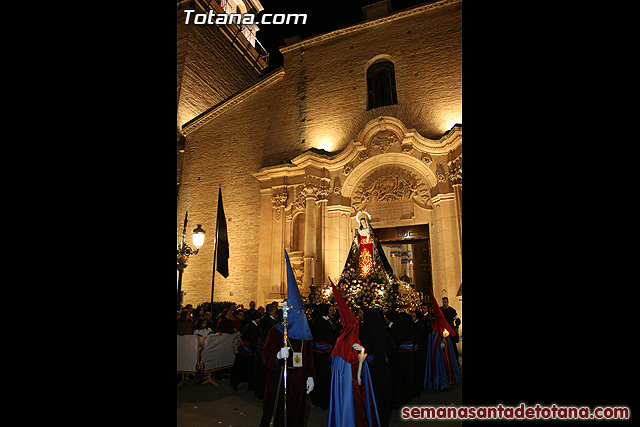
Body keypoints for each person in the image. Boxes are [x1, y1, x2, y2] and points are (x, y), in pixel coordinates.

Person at [260, 251, 315, 427]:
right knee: (277, 415)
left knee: (295, 416)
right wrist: (276, 355)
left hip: (298, 382)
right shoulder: (277, 332)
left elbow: (308, 359)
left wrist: (310, 376)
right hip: (279, 380)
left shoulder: (304, 336)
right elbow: (265, 354)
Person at [328, 282, 379, 427]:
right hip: (351, 386)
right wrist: (361, 362)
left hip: (352, 383)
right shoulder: (346, 346)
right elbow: (352, 373)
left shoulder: (349, 343)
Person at [359, 307, 395, 427]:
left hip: (371, 370)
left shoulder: (365, 331)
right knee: (383, 397)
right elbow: (392, 348)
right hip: (384, 369)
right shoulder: (383, 331)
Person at [425, 287, 461, 391]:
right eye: (443, 302)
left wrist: (456, 327)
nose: (444, 303)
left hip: (448, 330)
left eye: (445, 302)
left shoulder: (452, 310)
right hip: (442, 333)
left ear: (447, 302)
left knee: (451, 349)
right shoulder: (440, 310)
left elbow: (457, 319)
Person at [344, 212, 393, 279]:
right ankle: (361, 277)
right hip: (361, 250)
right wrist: (357, 240)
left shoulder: (370, 231)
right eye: (361, 222)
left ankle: (371, 276)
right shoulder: (359, 232)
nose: (363, 223)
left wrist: (368, 237)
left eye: (364, 222)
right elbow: (357, 242)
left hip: (369, 249)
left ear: (366, 222)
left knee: (370, 263)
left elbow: (374, 240)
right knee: (361, 264)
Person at [310, 303, 338, 410]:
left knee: (318, 376)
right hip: (324, 354)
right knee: (324, 377)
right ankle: (323, 400)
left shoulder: (316, 321)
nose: (332, 312)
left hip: (317, 353)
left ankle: (317, 399)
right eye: (330, 310)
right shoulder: (324, 323)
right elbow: (331, 338)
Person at [230, 312, 264, 391]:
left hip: (244, 351)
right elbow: (253, 340)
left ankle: (243, 383)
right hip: (247, 352)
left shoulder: (249, 325)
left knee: (244, 368)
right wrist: (254, 349)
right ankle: (245, 384)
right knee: (246, 369)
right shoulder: (253, 327)